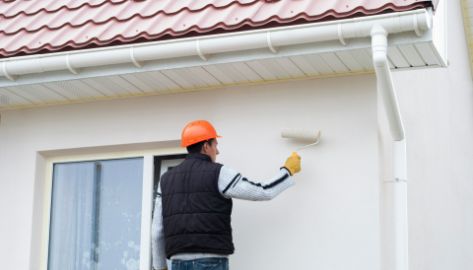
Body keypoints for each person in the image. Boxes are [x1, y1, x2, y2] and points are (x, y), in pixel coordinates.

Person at [152, 120, 301, 270]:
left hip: (178, 264)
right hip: (210, 263)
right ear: (205, 146)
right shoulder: (218, 173)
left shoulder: (165, 180)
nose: (217, 151)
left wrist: (160, 267)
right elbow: (262, 191)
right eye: (215, 144)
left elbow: (157, 231)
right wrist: (287, 171)